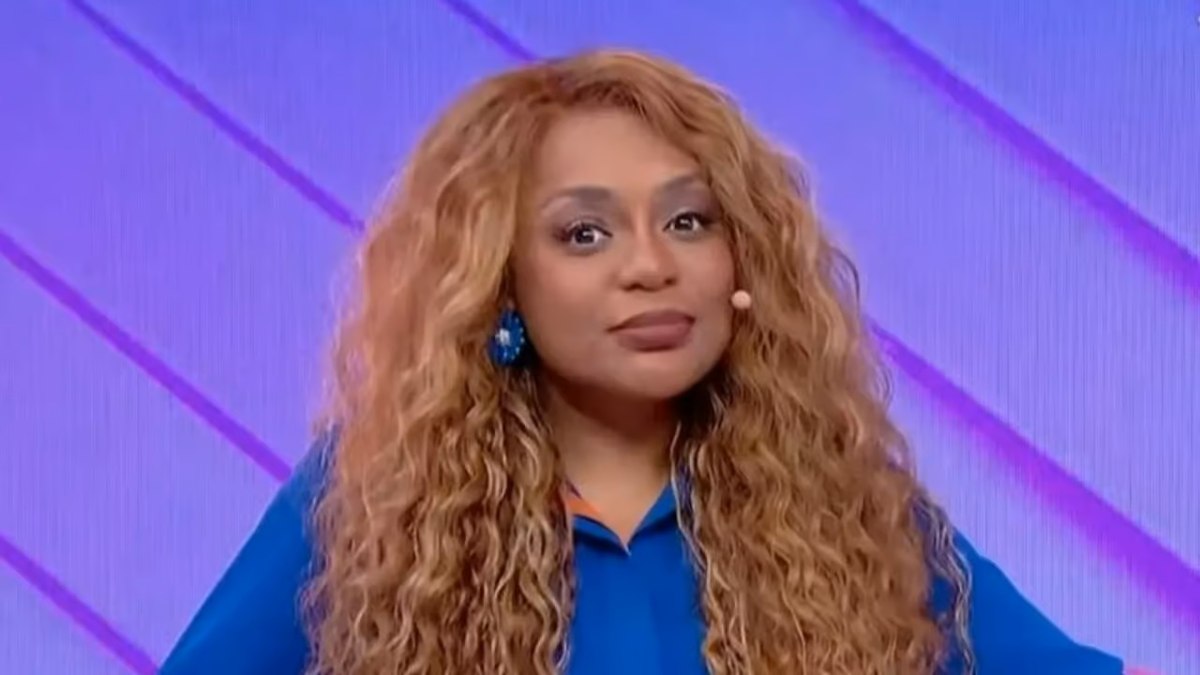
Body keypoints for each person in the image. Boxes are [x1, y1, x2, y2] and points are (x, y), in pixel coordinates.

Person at [160, 49, 1132, 674]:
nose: (651, 267)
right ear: (501, 283)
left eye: (689, 221)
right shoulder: (370, 499)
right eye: (584, 234)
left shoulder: (841, 501)